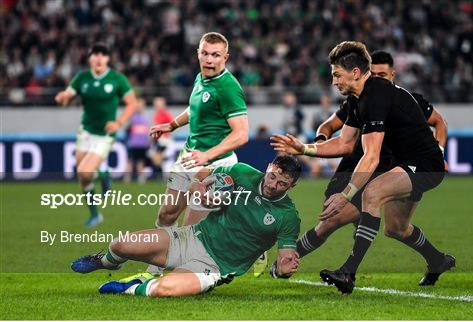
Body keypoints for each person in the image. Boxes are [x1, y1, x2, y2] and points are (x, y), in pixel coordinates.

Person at [272, 41, 454, 293]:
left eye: (337, 75)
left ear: (355, 73)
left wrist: (346, 194)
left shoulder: (377, 95)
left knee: (372, 192)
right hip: (402, 166)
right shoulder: (359, 100)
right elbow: (345, 143)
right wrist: (304, 149)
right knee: (396, 228)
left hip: (424, 165)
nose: (334, 82)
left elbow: (371, 156)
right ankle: (437, 260)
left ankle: (348, 273)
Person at [71, 156, 302, 297]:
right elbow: (203, 175)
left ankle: (131, 288)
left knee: (164, 289)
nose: (274, 185)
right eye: (272, 176)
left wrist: (283, 269)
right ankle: (103, 262)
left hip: (214, 266)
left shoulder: (288, 216)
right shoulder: (241, 172)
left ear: (291, 186)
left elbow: (285, 257)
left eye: (282, 183)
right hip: (192, 236)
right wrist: (197, 187)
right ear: (269, 166)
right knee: (121, 244)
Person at [145, 32, 249, 276]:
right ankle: (154, 267)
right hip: (189, 157)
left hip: (214, 165)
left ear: (226, 57)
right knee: (166, 213)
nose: (209, 59)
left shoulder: (228, 88)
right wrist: (171, 125)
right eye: (205, 53)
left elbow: (242, 134)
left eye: (215, 55)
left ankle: (234, 248)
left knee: (191, 233)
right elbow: (195, 108)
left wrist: (207, 155)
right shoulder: (201, 78)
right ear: (198, 53)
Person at [55, 43, 137, 227]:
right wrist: (63, 99)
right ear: (90, 59)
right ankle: (96, 210)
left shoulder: (117, 78)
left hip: (105, 134)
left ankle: (102, 178)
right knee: (84, 177)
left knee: (84, 171)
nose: (99, 58)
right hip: (85, 132)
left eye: (103, 55)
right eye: (95, 55)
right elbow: (67, 96)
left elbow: (132, 103)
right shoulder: (82, 78)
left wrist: (118, 123)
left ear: (108, 59)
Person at [124, 98, 151, 184]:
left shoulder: (145, 119)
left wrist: (147, 141)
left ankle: (141, 178)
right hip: (133, 144)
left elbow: (147, 132)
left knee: (140, 162)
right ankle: (127, 178)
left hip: (142, 145)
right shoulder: (132, 118)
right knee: (130, 162)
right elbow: (127, 129)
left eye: (141, 105)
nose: (140, 107)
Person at [149, 96, 174, 176]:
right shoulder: (157, 114)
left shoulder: (165, 114)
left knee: (163, 160)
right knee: (156, 158)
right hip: (159, 141)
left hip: (164, 141)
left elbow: (171, 126)